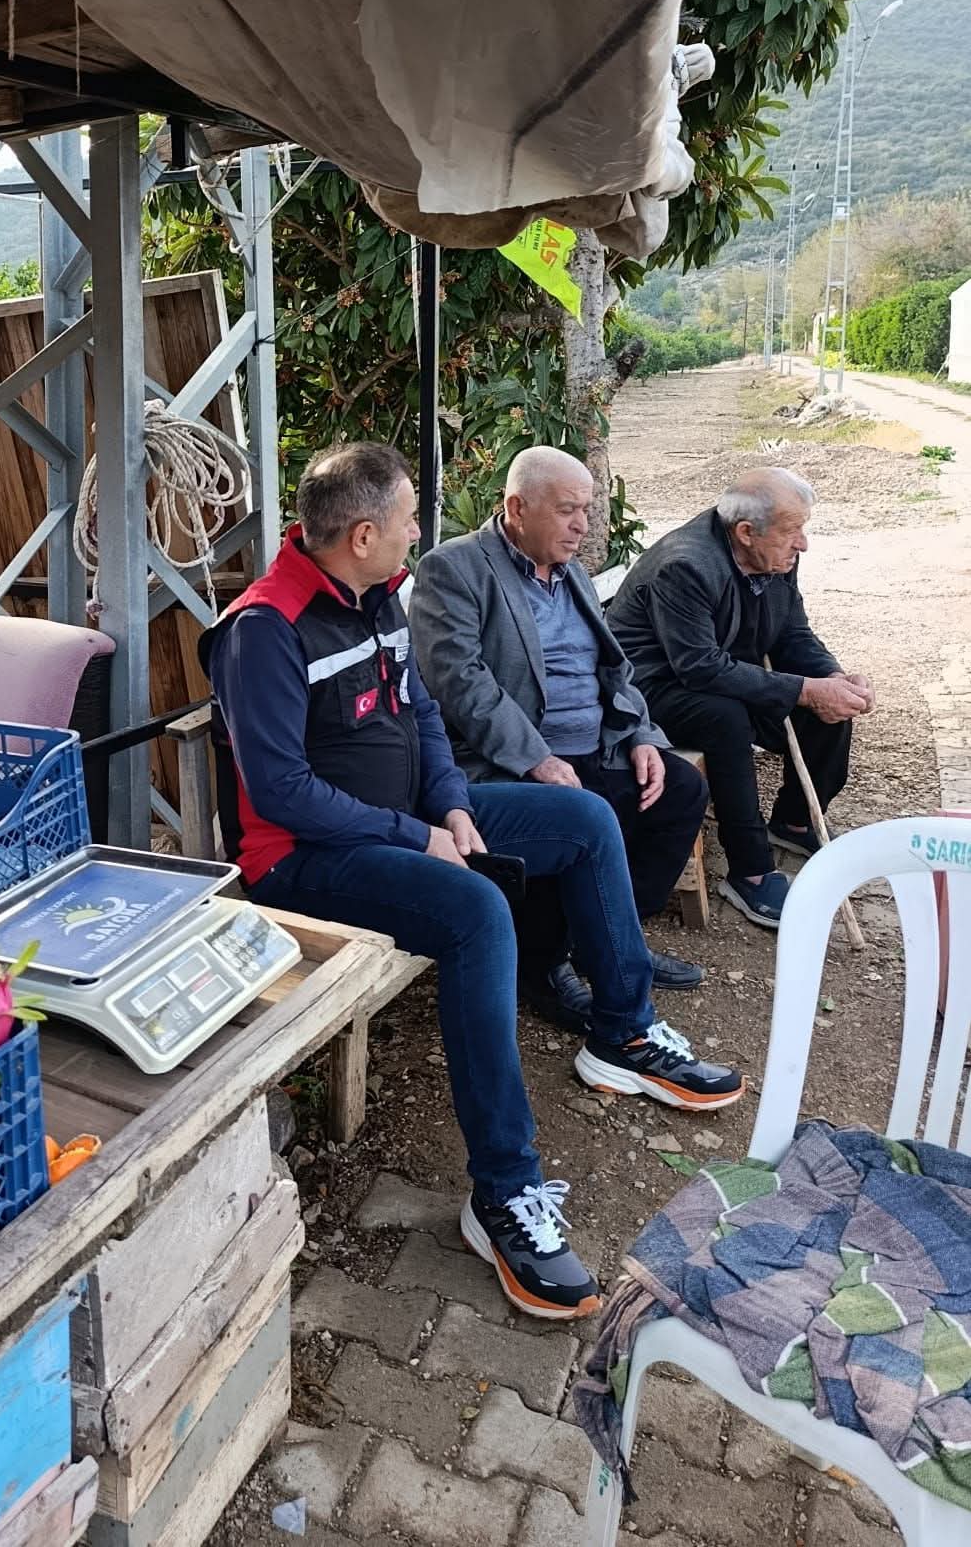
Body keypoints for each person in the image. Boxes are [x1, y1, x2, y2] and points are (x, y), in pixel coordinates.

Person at [200, 442, 745, 1323]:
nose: (420, 531)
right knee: (476, 911)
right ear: (363, 533)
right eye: (409, 518)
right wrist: (414, 833)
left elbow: (421, 715)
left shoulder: (376, 595)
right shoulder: (263, 628)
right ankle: (503, 1190)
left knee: (584, 818)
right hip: (302, 859)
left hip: (405, 821)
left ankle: (621, 1030)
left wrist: (450, 804)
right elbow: (281, 792)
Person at [410, 447, 709, 1035]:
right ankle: (543, 966)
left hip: (596, 745)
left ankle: (611, 940)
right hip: (511, 758)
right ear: (516, 508)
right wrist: (537, 758)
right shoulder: (455, 568)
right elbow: (459, 683)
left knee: (679, 789)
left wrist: (640, 734)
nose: (583, 526)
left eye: (587, 510)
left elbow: (613, 667)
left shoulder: (569, 572)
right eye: (568, 510)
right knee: (576, 812)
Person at [606, 466, 870, 927]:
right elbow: (698, 667)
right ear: (746, 532)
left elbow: (791, 632)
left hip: (719, 670)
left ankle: (793, 821)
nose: (803, 543)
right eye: (793, 531)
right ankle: (749, 870)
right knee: (725, 717)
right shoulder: (686, 565)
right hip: (650, 687)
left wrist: (831, 676)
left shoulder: (775, 554)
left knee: (829, 706)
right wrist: (805, 690)